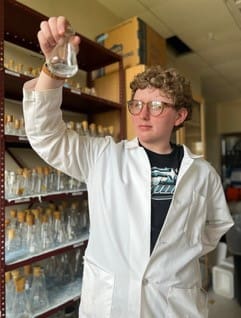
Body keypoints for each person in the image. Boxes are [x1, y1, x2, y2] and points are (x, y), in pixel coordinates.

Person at [22, 16, 233, 318]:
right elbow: (45, 137)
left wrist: (173, 258)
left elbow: (214, 230)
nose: (143, 113)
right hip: (111, 306)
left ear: (179, 116)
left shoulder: (203, 174)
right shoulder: (103, 156)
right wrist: (53, 70)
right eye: (137, 104)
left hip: (173, 306)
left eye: (157, 105)